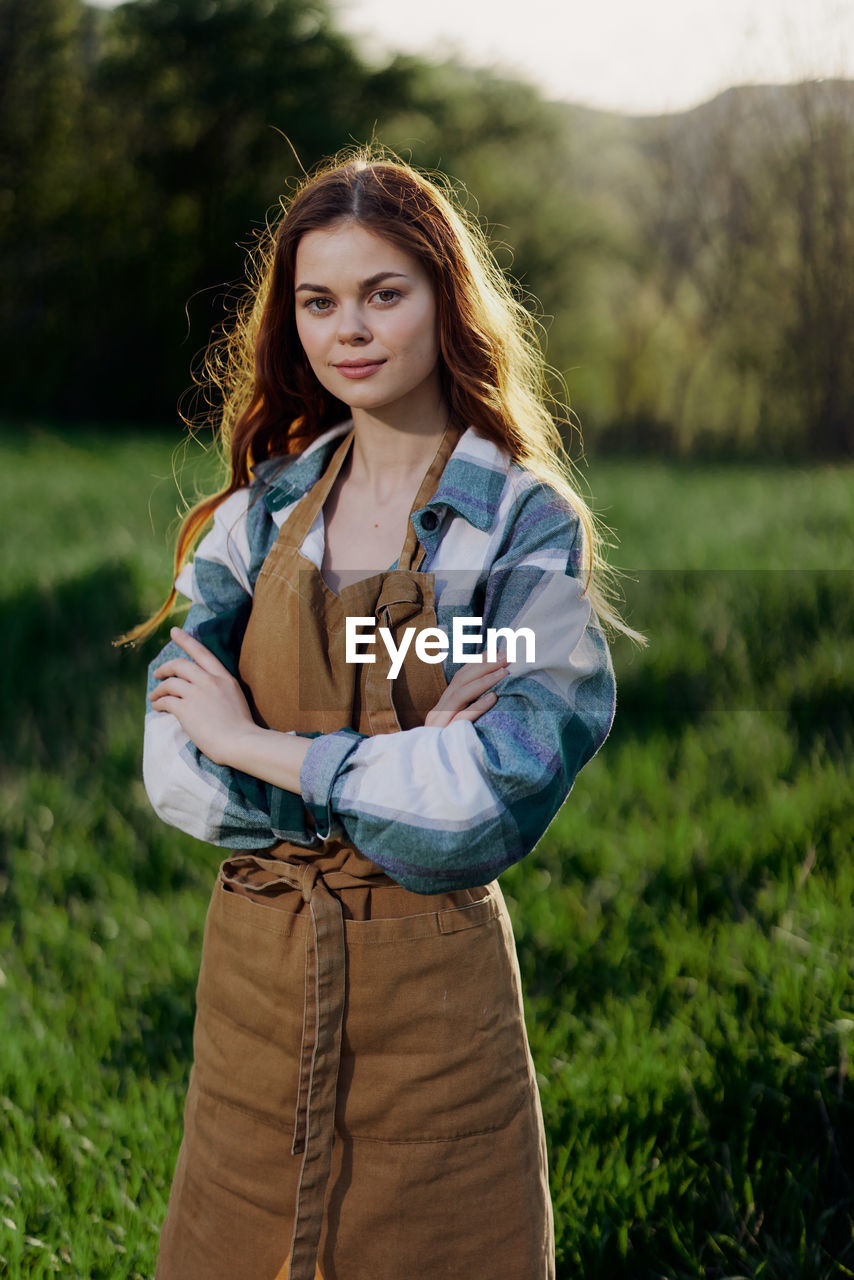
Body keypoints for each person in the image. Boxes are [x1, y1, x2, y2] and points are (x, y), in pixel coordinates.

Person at [132, 147, 632, 1280]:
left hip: (433, 1015)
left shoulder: (518, 524)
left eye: (381, 294)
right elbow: (172, 764)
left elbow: (488, 795)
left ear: (442, 301)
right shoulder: (259, 516)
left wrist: (259, 742)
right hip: (251, 995)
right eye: (318, 300)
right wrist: (399, 765)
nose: (346, 329)